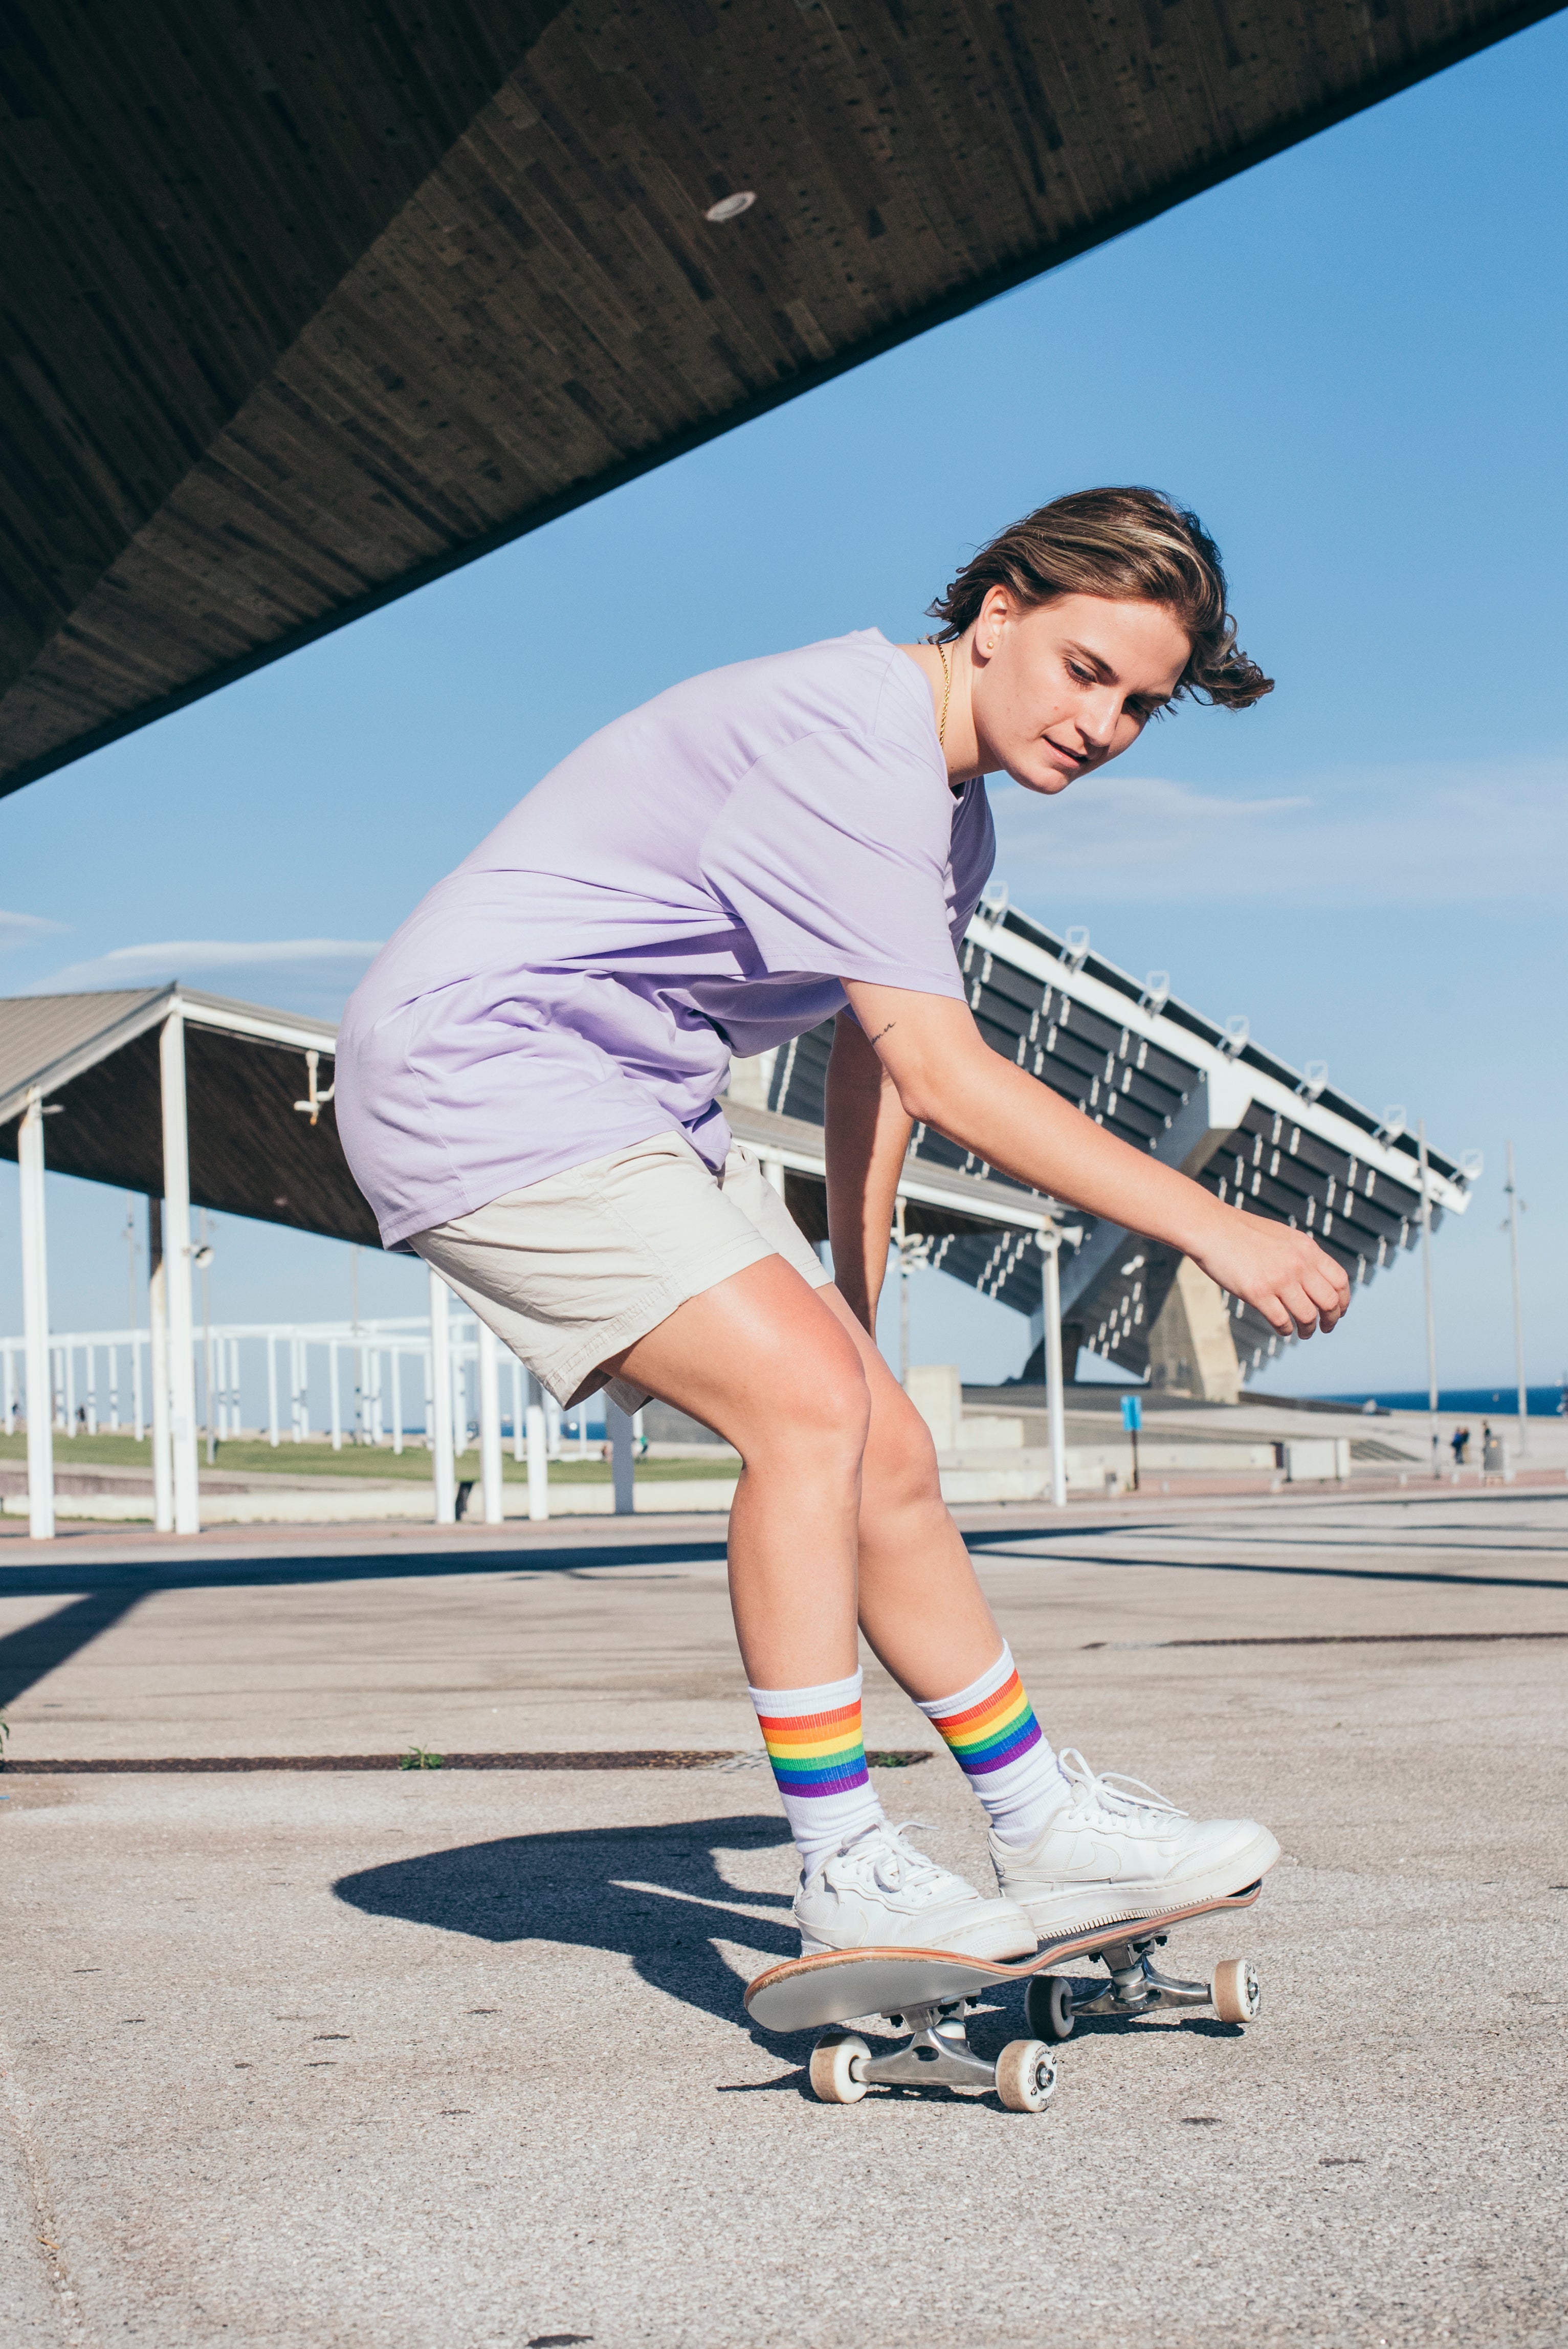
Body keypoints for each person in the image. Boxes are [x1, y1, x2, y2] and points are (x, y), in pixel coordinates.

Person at [336, 487, 1350, 1963]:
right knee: (811, 1420)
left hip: (625, 1101)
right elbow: (952, 1069)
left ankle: (1038, 1825)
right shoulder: (851, 741)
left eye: (1138, 706)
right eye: (1085, 673)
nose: (1104, 726)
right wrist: (1212, 1225)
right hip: (485, 1070)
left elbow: (878, 1075)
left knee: (879, 1434)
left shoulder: (952, 828)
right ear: (995, 614)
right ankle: (839, 1860)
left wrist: (853, 1313)